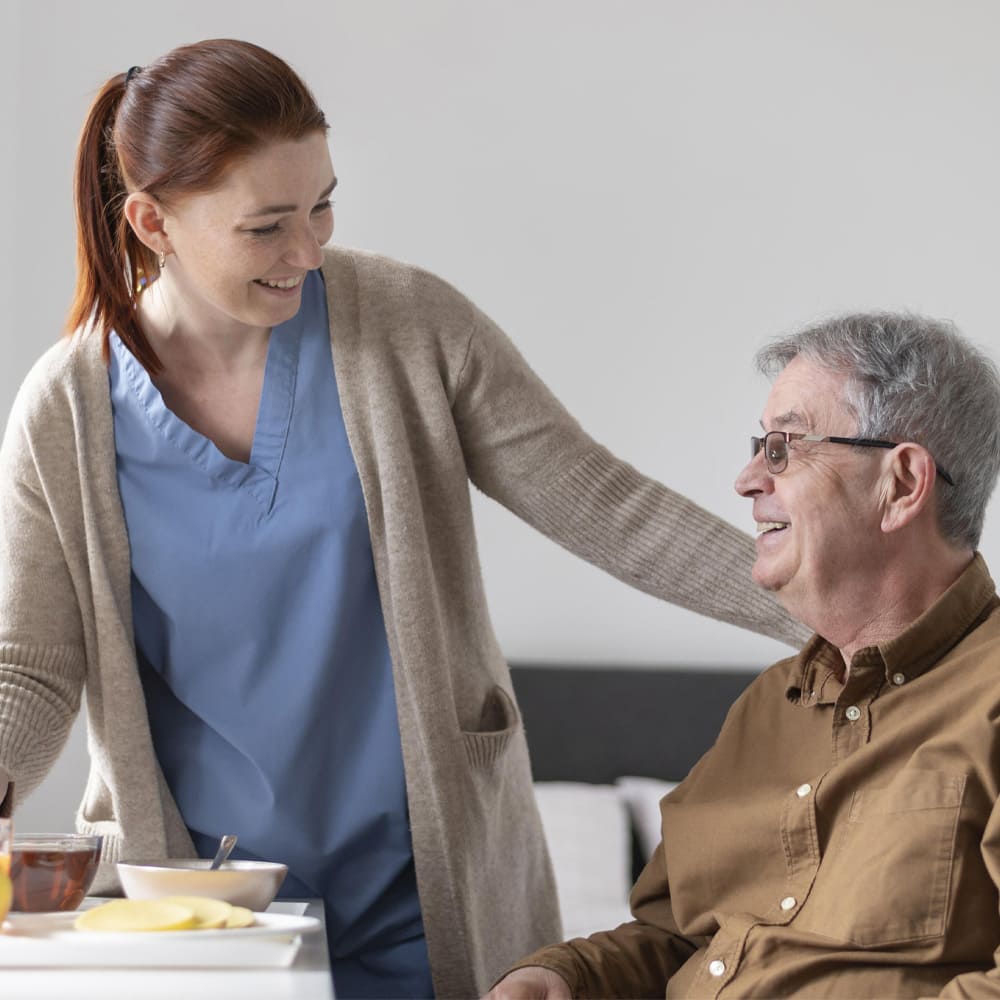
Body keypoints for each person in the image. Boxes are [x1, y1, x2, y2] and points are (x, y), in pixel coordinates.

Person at [0, 39, 806, 999]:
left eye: (322, 205)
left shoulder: (407, 326)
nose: (309, 250)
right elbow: (32, 666)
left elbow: (606, 507)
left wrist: (842, 608)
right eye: (266, 227)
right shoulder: (67, 408)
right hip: (203, 911)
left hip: (426, 892)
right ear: (151, 222)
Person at [489, 311, 1000, 999]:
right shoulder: (767, 707)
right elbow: (679, 937)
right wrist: (564, 976)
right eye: (760, 446)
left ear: (903, 483)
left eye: (784, 448)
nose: (747, 479)